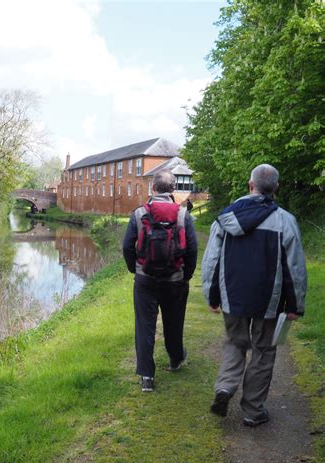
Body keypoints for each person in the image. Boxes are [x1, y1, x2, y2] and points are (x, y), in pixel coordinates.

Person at [202, 164, 307, 427]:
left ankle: (225, 388)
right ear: (276, 188)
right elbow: (294, 268)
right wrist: (295, 305)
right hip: (268, 301)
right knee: (263, 350)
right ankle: (252, 410)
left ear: (250, 185)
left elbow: (211, 260)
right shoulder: (285, 221)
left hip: (232, 297)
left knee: (235, 343)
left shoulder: (226, 217)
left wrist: (212, 295)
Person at [123, 169, 198, 392]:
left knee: (144, 326)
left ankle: (147, 376)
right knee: (174, 322)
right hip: (175, 279)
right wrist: (187, 275)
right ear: (172, 190)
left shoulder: (138, 214)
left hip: (145, 279)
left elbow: (127, 246)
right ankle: (175, 359)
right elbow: (192, 249)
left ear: (153, 188)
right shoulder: (183, 215)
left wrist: (134, 269)